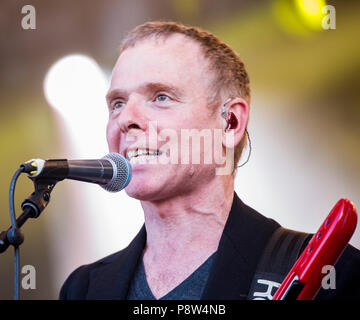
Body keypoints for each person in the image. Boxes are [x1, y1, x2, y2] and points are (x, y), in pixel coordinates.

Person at [59, 21, 360, 300]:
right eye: (118, 103)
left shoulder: (330, 270)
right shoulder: (84, 289)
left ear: (230, 122)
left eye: (161, 96)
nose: (126, 119)